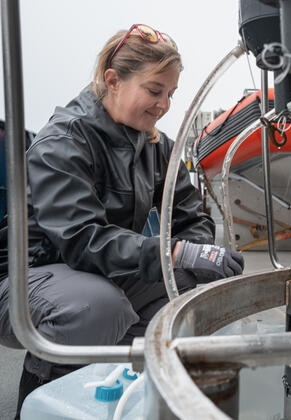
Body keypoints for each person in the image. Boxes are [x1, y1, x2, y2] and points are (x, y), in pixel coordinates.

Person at [0, 24, 244, 417]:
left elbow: (189, 214)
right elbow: (82, 239)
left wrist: (202, 254)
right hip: (33, 275)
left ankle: (134, 388)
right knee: (96, 307)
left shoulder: (157, 146)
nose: (164, 104)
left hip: (101, 269)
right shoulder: (63, 142)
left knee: (193, 290)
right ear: (113, 80)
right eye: (154, 90)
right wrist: (178, 251)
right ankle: (41, 397)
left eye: (170, 94)